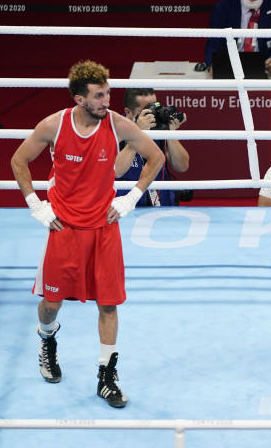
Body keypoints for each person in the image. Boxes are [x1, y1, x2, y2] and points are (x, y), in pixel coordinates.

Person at [10, 60, 165, 408]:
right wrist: (36, 205)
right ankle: (47, 341)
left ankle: (106, 377)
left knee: (108, 304)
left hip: (104, 227)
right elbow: (18, 161)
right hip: (64, 227)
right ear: (80, 99)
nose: (105, 101)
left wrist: (131, 198)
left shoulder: (117, 124)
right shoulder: (54, 125)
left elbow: (155, 157)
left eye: (107, 93)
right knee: (51, 304)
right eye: (98, 96)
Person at [115, 88, 190, 207]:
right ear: (128, 112)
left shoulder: (158, 127)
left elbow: (182, 166)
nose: (153, 115)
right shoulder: (116, 130)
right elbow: (117, 171)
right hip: (129, 209)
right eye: (146, 112)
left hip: (162, 206)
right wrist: (137, 133)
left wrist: (169, 133)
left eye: (155, 107)